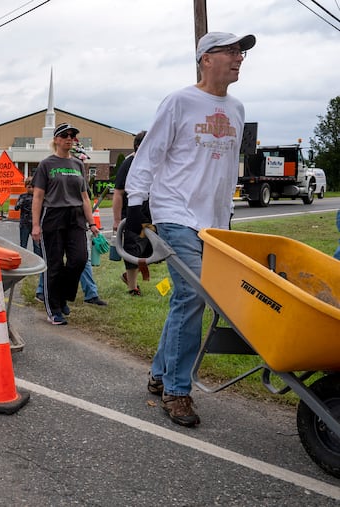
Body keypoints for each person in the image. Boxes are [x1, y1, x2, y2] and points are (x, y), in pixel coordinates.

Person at [125, 32, 256, 427]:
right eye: (231, 51)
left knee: (186, 301)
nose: (239, 58)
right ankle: (177, 392)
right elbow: (149, 156)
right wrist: (135, 208)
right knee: (194, 296)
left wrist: (227, 217)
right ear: (205, 59)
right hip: (175, 214)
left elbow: (224, 169)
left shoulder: (236, 108)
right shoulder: (179, 101)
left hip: (214, 223)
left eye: (241, 53)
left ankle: (160, 374)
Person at [32, 123, 101, 325]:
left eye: (72, 135)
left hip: (76, 218)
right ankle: (54, 309)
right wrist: (36, 225)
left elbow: (85, 197)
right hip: (53, 216)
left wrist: (92, 223)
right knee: (54, 265)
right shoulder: (46, 165)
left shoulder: (78, 165)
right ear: (56, 139)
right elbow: (38, 196)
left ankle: (62, 297)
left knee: (79, 259)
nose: (69, 138)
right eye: (65, 135)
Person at [112, 130, 148, 296]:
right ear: (138, 146)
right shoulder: (129, 163)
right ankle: (132, 288)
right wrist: (117, 220)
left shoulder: (152, 163)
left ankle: (129, 276)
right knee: (132, 250)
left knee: (151, 250)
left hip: (150, 215)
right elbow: (118, 193)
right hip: (132, 214)